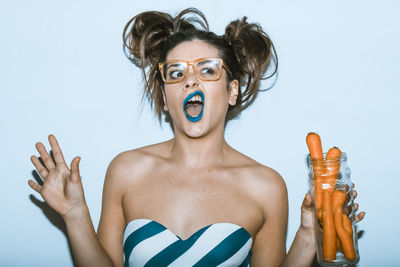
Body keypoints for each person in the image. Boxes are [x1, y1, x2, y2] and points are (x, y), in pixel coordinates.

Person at [28, 8, 365, 267]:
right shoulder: (126, 170)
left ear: (232, 90)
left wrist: (309, 237)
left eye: (207, 70)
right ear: (165, 96)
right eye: (176, 73)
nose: (190, 81)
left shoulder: (266, 186)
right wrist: (75, 215)